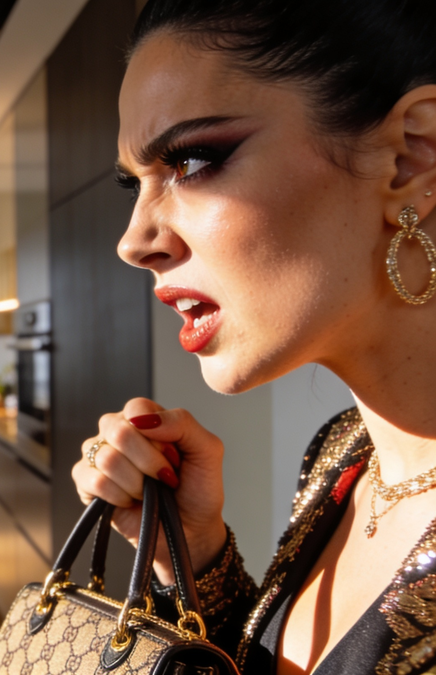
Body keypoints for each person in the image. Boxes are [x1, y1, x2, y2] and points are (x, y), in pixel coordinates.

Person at [74, 1, 436, 673]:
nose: (133, 241)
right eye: (135, 184)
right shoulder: (342, 453)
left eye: (192, 161)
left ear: (412, 155)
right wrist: (193, 555)